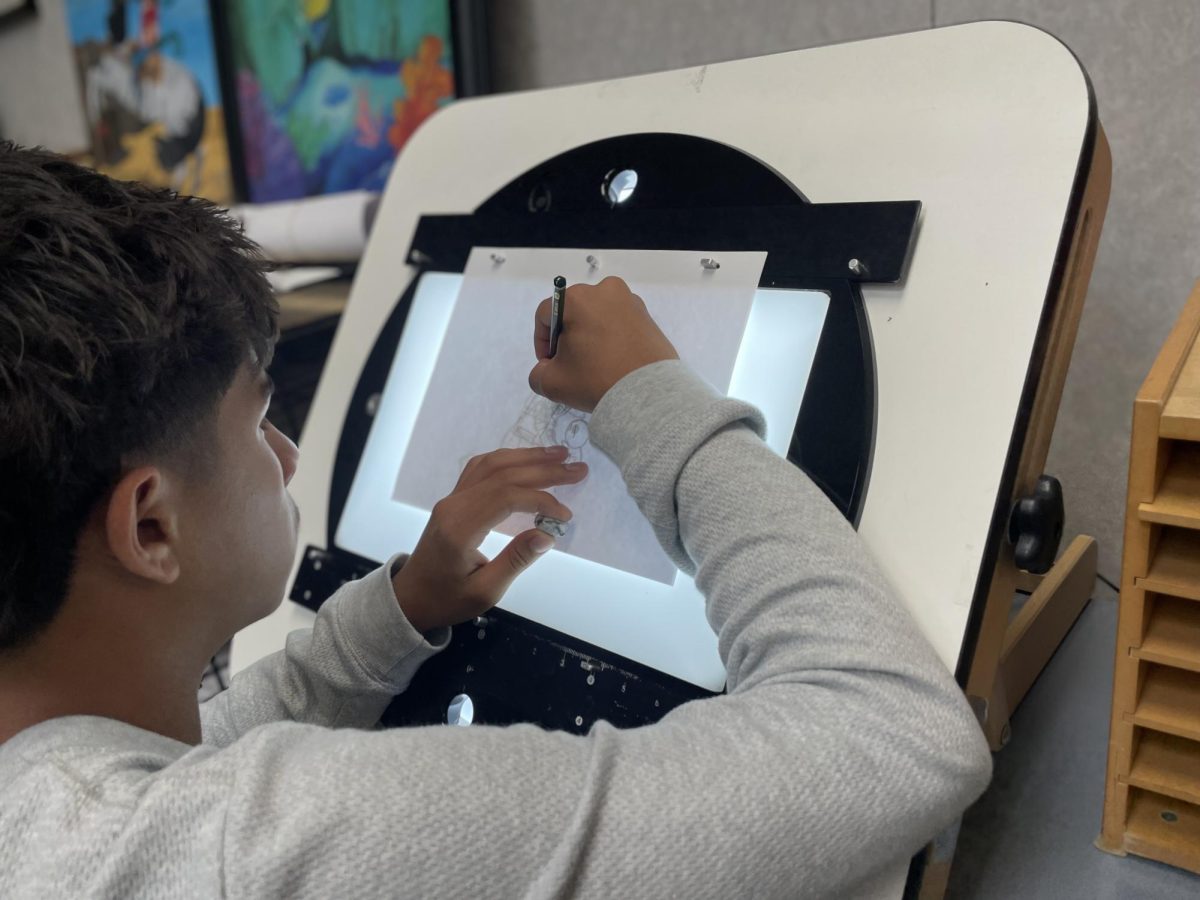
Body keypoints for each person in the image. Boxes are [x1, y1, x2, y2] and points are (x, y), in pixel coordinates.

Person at [0, 142, 991, 899]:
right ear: (151, 529)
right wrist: (652, 394)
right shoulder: (279, 844)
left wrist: (398, 607)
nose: (292, 456)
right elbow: (891, 732)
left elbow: (168, 769)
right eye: (264, 419)